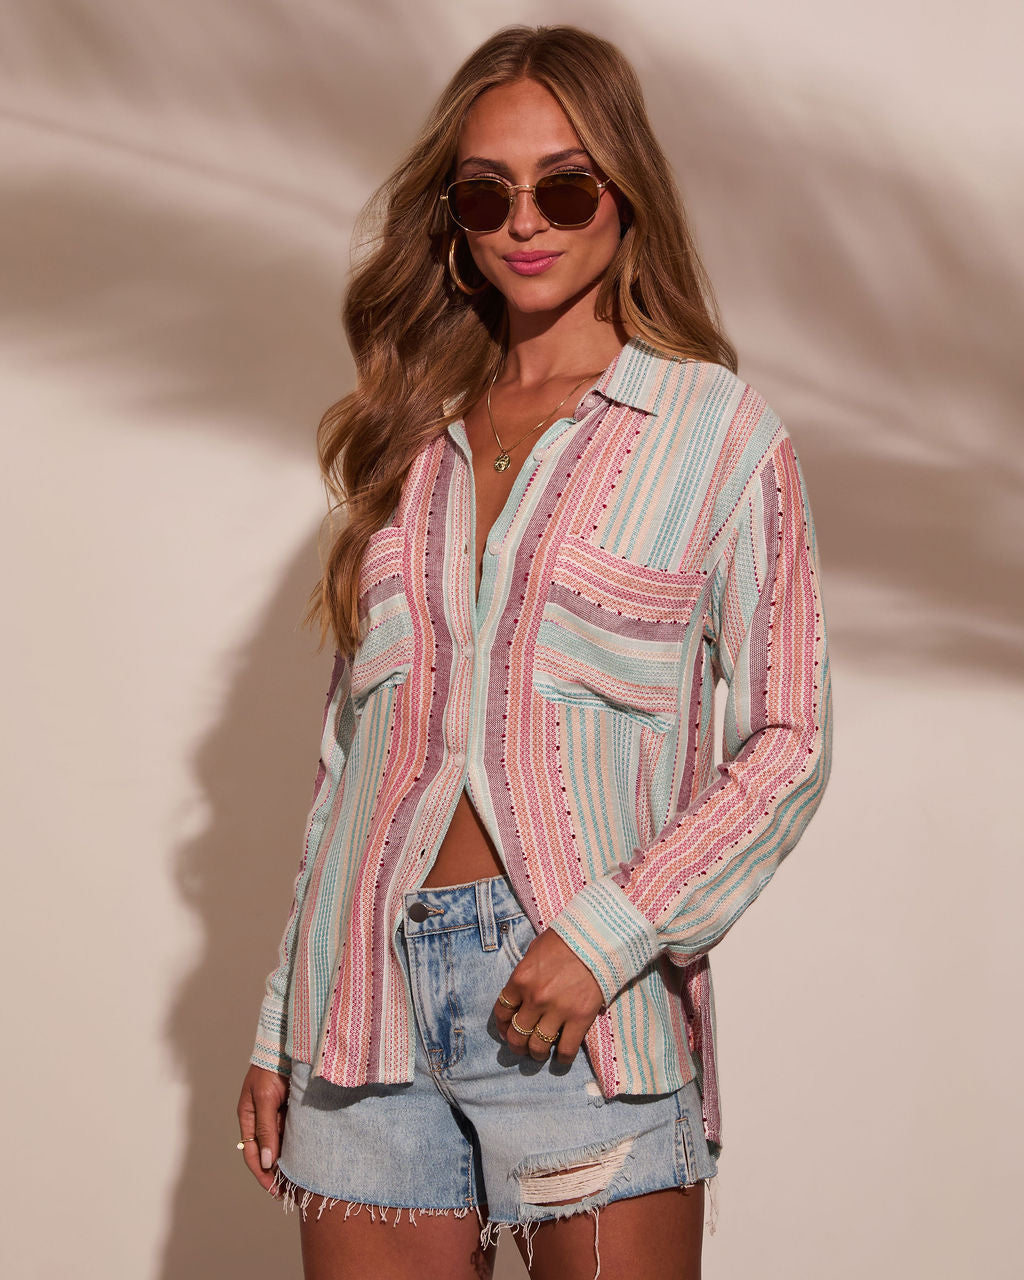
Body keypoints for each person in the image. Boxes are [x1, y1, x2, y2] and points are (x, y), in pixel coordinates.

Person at [236, 23, 832, 1280]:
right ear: (452, 218)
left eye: (563, 187)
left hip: (580, 1004)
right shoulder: (411, 444)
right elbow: (345, 761)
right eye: (484, 192)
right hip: (362, 1009)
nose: (523, 221)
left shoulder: (717, 435)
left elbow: (789, 738)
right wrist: (284, 1015)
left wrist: (609, 934)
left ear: (626, 192)